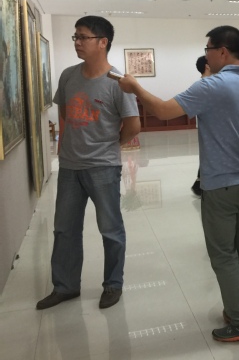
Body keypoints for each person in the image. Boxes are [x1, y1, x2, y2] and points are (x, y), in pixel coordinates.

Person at [118, 26, 239, 342]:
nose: (206, 55)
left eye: (208, 49)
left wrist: (135, 87)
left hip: (222, 184)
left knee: (223, 254)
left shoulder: (211, 85)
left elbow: (163, 111)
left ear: (222, 52)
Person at [36, 16, 141, 310]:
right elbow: (66, 115)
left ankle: (113, 284)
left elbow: (133, 125)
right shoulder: (68, 76)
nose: (77, 42)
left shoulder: (118, 83)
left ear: (102, 42)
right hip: (70, 167)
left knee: (110, 229)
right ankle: (65, 286)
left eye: (83, 37)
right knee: (64, 229)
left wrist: (109, 145)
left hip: (103, 167)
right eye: (76, 37)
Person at [191, 55, 212, 197]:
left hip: (208, 126)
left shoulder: (206, 83)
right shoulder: (205, 85)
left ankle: (199, 183)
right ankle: (200, 184)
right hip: (209, 127)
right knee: (209, 155)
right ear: (207, 66)